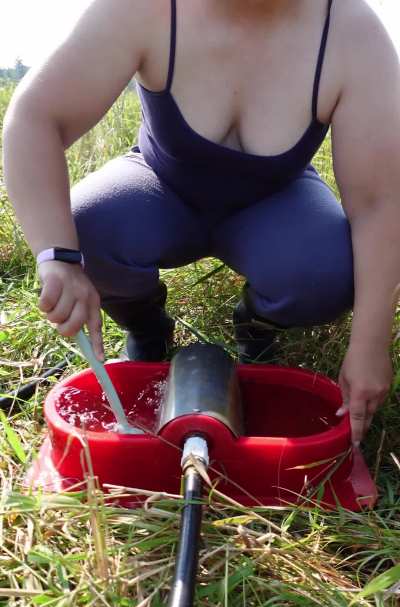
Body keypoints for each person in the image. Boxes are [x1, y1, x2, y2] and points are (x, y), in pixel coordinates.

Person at [2, 0, 400, 446]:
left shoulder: (350, 30)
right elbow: (36, 116)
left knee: (328, 272)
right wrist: (57, 257)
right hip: (158, 184)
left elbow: (378, 203)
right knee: (84, 229)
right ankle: (145, 325)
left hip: (277, 202)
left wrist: (370, 346)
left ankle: (259, 325)